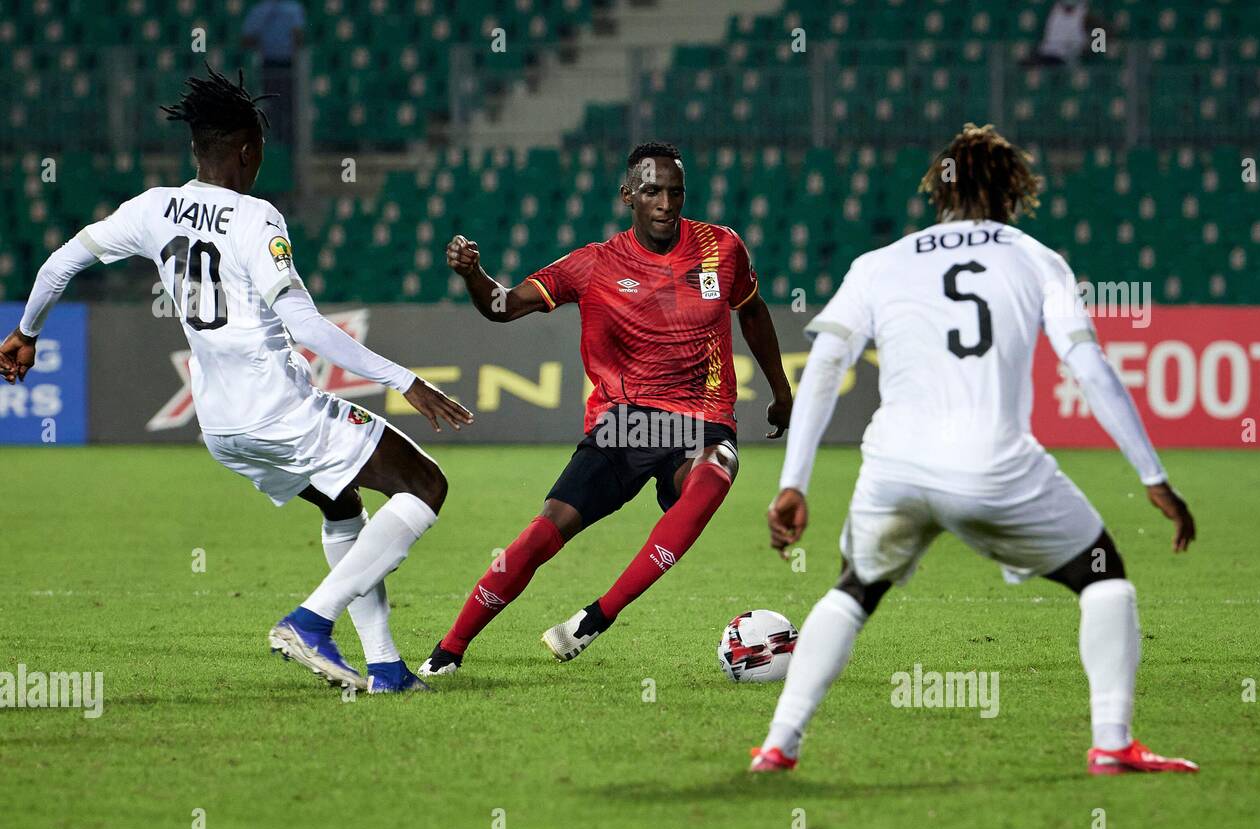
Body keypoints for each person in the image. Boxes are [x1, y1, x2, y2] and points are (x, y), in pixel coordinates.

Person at [0, 67, 472, 693]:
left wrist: (26, 333)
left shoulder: (151, 208)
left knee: (341, 502)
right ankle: (311, 621)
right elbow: (303, 323)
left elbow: (61, 262)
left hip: (221, 426)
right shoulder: (257, 218)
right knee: (426, 484)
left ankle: (385, 666)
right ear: (249, 151)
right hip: (279, 410)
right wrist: (404, 379)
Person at [752, 124, 1198, 776]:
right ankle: (1112, 742)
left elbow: (823, 365)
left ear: (939, 190)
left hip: (895, 466)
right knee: (1101, 573)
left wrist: (795, 481)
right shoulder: (1037, 259)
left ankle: (778, 745)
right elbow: (1090, 368)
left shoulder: (879, 264)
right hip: (995, 466)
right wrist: (1153, 476)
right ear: (1014, 191)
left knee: (855, 587)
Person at [418, 142, 793, 676]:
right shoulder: (593, 264)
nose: (666, 202)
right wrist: (473, 275)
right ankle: (447, 652)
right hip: (626, 425)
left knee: (715, 473)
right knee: (544, 531)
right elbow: (502, 307)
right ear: (628, 197)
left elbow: (751, 312)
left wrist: (781, 390)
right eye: (652, 191)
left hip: (703, 419)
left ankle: (598, 615)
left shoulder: (722, 247)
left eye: (675, 191)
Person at [240, 0, 305, 148]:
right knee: (274, 106)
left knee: (283, 106)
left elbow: (298, 36)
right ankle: (276, 143)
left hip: (285, 65)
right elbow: (246, 39)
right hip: (272, 65)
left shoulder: (289, 8)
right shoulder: (263, 10)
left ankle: (285, 144)